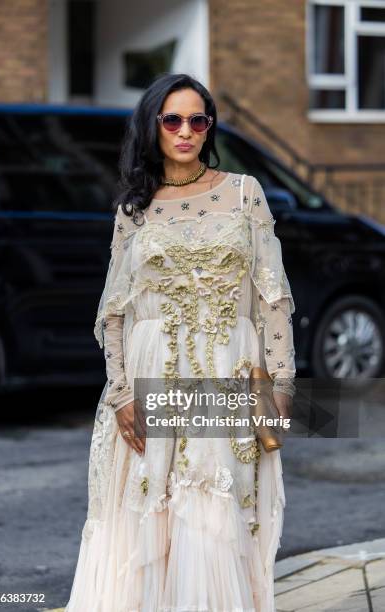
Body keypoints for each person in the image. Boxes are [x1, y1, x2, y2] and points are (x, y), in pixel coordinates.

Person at [64, 73, 296, 612]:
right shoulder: (133, 211)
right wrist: (121, 392)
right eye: (173, 119)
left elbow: (273, 297)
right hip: (152, 376)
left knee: (215, 511)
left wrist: (281, 382)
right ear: (153, 126)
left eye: (198, 120)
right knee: (152, 517)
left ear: (209, 128)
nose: (186, 131)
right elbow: (114, 311)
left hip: (229, 371)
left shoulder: (244, 193)